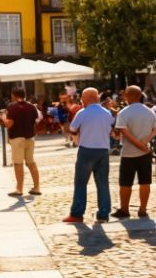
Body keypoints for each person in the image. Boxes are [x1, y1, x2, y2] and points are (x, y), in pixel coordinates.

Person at [64, 87, 113, 223]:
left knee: (80, 182)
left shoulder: (82, 113)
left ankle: (77, 213)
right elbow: (110, 129)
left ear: (88, 98)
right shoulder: (107, 113)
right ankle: (104, 214)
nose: (81, 100)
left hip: (87, 149)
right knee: (103, 183)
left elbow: (73, 129)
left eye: (82, 98)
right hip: (103, 150)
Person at [112, 86, 156, 219]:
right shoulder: (150, 112)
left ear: (128, 96)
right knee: (145, 182)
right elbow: (154, 130)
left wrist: (139, 145)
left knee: (125, 183)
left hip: (128, 153)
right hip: (145, 152)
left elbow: (125, 133)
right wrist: (144, 144)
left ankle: (124, 209)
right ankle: (143, 209)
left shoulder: (124, 113)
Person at [1, 87, 41, 197]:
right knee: (31, 162)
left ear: (14, 95)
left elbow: (9, 124)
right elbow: (35, 121)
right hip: (30, 137)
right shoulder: (31, 106)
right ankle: (37, 187)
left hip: (17, 138)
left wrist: (3, 117)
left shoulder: (12, 107)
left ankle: (19, 189)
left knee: (18, 163)